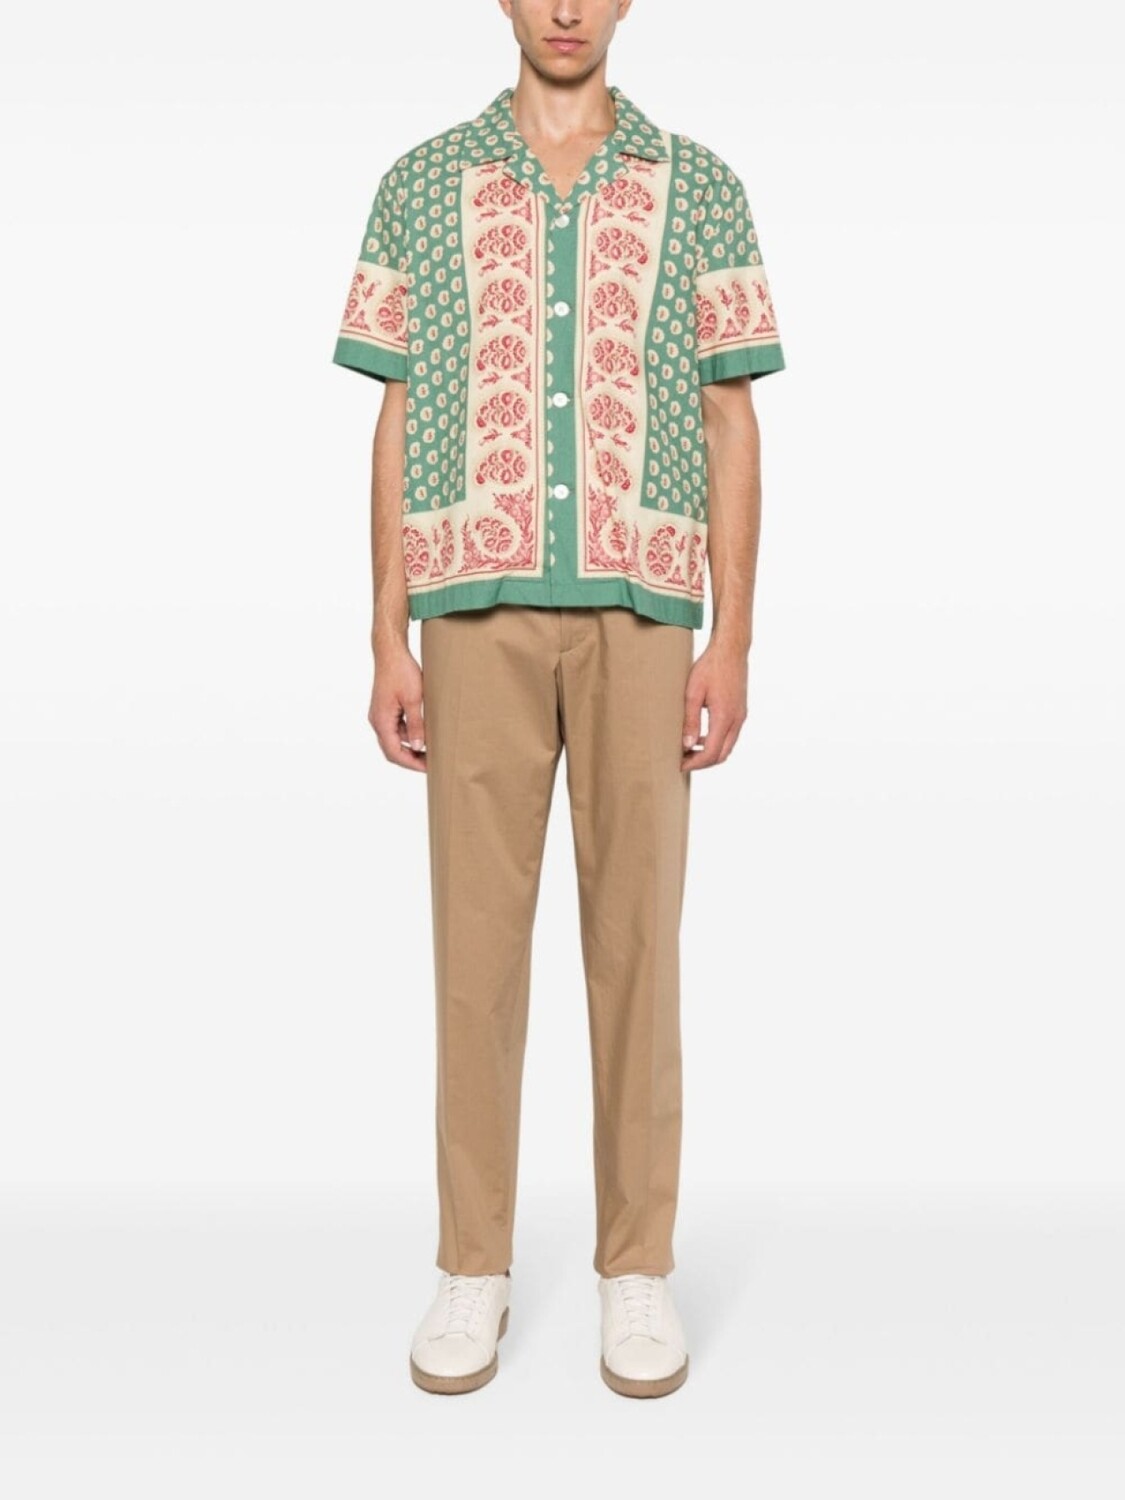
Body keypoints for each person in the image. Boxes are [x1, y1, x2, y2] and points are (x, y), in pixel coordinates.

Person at [331, 0, 785, 1400]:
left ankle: (635, 1265)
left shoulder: (700, 185)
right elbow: (394, 415)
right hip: (472, 607)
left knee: (638, 944)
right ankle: (472, 1264)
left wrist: (732, 639)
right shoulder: (421, 182)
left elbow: (731, 418)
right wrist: (386, 634)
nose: (568, 8)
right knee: (473, 950)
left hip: (646, 609)